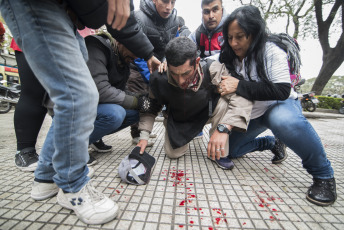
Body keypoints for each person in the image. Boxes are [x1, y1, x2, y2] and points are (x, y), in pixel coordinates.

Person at [0, 0, 158, 225]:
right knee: (79, 95)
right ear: (120, 44)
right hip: (37, 5)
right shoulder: (100, 46)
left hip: (64, 14)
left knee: (74, 98)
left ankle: (46, 177)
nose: (137, 59)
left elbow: (121, 18)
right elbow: (101, 90)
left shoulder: (123, 58)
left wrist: (148, 52)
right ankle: (72, 185)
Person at [218, 5, 336, 206]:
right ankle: (272, 143)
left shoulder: (271, 51)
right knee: (229, 151)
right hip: (253, 113)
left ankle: (323, 174)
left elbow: (281, 90)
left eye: (240, 36)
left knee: (283, 121)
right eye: (230, 37)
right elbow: (206, 63)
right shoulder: (229, 55)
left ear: (253, 34)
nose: (234, 43)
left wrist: (239, 85)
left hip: (278, 106)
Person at [136, 37, 254, 170]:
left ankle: (219, 152)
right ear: (167, 64)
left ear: (197, 62)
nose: (180, 81)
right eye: (174, 74)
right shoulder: (159, 77)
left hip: (207, 112)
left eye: (186, 73)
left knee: (225, 101)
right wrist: (144, 137)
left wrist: (224, 128)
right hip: (179, 118)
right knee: (172, 154)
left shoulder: (212, 68)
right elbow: (150, 107)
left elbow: (241, 96)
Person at [129, 0, 180, 145]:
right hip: (138, 67)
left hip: (161, 67)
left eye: (173, 2)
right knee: (140, 100)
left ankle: (146, 129)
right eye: (164, 1)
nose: (169, 7)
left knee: (153, 101)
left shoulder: (174, 20)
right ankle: (136, 134)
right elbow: (136, 49)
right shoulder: (139, 17)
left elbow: (173, 46)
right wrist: (151, 76)